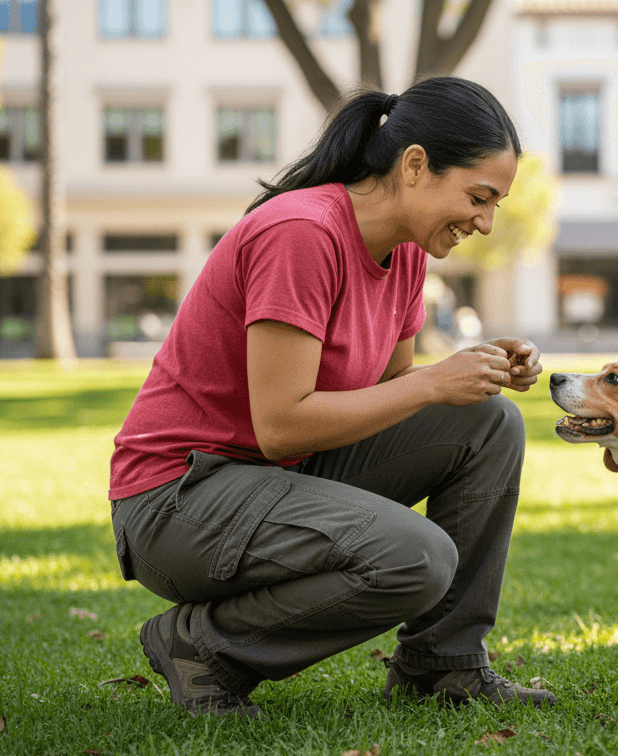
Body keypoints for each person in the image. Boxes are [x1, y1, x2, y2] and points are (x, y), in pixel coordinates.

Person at [108, 77, 554, 717]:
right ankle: (200, 646)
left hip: (270, 479)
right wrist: (433, 382)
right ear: (416, 165)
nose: (485, 223)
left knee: (488, 421)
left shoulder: (405, 256)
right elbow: (282, 425)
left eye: (495, 206)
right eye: (478, 198)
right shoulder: (302, 233)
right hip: (177, 502)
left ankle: (444, 663)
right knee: (419, 560)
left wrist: (472, 373)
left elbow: (386, 395)